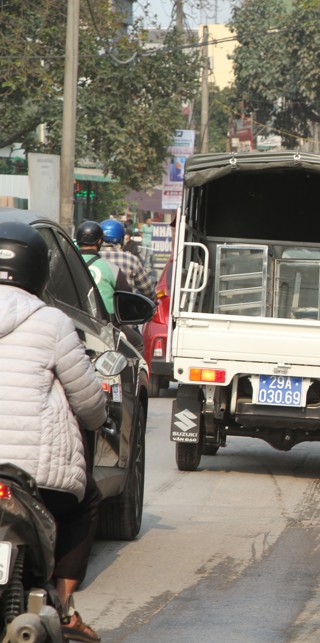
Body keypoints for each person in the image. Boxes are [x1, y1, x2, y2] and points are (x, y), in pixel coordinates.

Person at [0, 221, 106, 643]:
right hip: (36, 475)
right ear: (39, 270)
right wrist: (100, 419)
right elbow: (88, 401)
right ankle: (61, 606)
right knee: (88, 500)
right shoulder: (52, 321)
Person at [76, 220, 131, 316]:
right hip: (105, 325)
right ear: (99, 241)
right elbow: (127, 299)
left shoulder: (65, 263)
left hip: (75, 321)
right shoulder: (112, 268)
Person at [99, 218, 156, 300]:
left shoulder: (91, 257)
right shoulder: (130, 260)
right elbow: (147, 290)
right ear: (121, 238)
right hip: (123, 310)